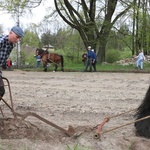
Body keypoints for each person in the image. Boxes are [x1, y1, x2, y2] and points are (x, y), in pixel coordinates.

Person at [0, 26, 24, 97]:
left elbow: (3, 56)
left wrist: (4, 64)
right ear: (10, 33)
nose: (18, 40)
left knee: (1, 91)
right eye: (17, 37)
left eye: (19, 38)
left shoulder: (11, 45)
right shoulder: (1, 41)